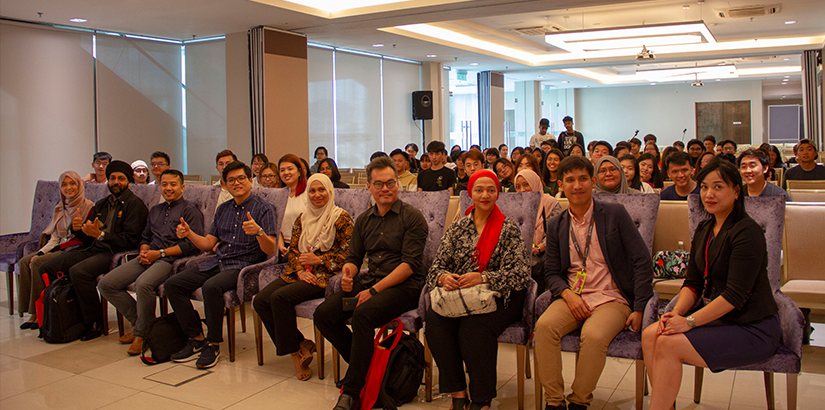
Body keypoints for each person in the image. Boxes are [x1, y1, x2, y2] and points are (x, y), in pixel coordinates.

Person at [642, 159, 780, 410]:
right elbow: (693, 283)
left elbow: (734, 296)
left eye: (718, 187)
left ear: (736, 191)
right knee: (652, 333)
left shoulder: (747, 232)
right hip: (720, 320)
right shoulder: (706, 228)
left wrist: (689, 322)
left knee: (668, 343)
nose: (709, 194)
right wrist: (676, 312)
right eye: (704, 187)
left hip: (751, 326)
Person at [535, 155, 654, 410]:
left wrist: (640, 307)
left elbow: (642, 261)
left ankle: (579, 401)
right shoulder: (556, 224)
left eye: (582, 179)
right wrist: (568, 295)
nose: (577, 186)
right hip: (574, 297)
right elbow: (552, 273)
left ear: (593, 181)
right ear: (561, 186)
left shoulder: (614, 214)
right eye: (570, 180)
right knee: (544, 327)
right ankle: (554, 403)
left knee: (594, 334)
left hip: (613, 298)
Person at [314, 156, 428, 410]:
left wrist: (373, 291)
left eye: (390, 183)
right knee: (324, 314)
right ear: (369, 187)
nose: (385, 189)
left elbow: (409, 266)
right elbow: (354, 258)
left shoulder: (412, 217)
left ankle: (352, 392)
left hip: (406, 287)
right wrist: (348, 273)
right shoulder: (364, 219)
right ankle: (366, 370)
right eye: (379, 184)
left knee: (363, 314)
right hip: (373, 280)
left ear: (398, 184)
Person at [426, 169, 529, 410]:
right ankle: (458, 393)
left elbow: (520, 274)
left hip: (501, 296)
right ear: (470, 193)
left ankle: (481, 399)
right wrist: (443, 279)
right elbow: (436, 268)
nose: (485, 195)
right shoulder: (458, 228)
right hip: (461, 295)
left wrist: (482, 278)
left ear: (498, 193)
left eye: (491, 190)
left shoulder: (508, 229)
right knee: (435, 323)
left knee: (474, 329)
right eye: (479, 190)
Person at [167, 161, 278, 369]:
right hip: (217, 261)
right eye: (231, 180)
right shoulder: (223, 209)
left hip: (244, 267)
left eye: (241, 178)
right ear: (225, 185)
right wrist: (189, 233)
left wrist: (259, 232)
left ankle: (213, 342)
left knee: (212, 287)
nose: (237, 183)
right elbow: (209, 243)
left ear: (250, 180)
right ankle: (197, 337)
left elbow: (271, 250)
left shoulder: (264, 208)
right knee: (173, 285)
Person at [253, 173, 354, 380]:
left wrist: (320, 261)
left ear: (330, 191)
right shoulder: (303, 217)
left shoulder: (341, 218)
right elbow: (294, 251)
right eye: (312, 191)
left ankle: (296, 355)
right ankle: (301, 343)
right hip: (300, 272)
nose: (317, 195)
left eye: (321, 190)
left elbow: (349, 254)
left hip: (325, 276)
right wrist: (299, 270)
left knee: (279, 298)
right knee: (262, 300)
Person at [98, 169, 204, 355]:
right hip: (147, 257)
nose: (168, 188)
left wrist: (159, 253)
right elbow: (145, 236)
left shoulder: (190, 210)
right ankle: (144, 325)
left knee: (143, 284)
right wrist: (145, 250)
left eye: (173, 184)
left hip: (170, 260)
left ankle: (141, 334)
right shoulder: (155, 210)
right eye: (164, 184)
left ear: (182, 187)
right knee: (107, 284)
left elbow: (191, 246)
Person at [40, 161, 149, 341]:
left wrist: (100, 235)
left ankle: (95, 321)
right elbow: (88, 237)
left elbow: (130, 240)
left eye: (121, 179)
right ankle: (64, 315)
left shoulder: (135, 205)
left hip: (112, 254)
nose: (116, 182)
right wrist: (78, 230)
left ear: (128, 182)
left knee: (79, 271)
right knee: (46, 267)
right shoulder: (101, 204)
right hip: (92, 248)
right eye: (112, 178)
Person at [17, 171, 94, 329]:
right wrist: (41, 252)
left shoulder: (88, 206)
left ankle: (38, 314)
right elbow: (54, 239)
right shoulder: (60, 208)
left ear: (79, 185)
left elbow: (84, 238)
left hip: (73, 249)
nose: (68, 188)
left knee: (38, 263)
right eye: (64, 185)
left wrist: (41, 256)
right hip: (58, 246)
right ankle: (29, 311)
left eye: (72, 183)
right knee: (25, 262)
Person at [514, 169, 562, 286]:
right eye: (518, 187)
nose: (522, 190)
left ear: (534, 183)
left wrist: (539, 248)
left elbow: (555, 233)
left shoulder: (550, 203)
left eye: (526, 184)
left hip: (544, 254)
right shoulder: (514, 206)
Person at [278, 154, 308, 263]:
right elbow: (276, 224)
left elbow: (312, 224)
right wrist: (280, 244)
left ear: (299, 172)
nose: (286, 173)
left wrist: (294, 246)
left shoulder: (308, 194)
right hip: (282, 245)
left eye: (290, 169)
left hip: (304, 244)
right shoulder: (278, 196)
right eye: (282, 170)